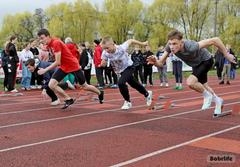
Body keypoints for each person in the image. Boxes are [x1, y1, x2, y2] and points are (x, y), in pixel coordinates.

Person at [147, 29, 236, 117]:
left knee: (190, 82)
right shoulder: (169, 47)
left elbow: (215, 40)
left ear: (181, 42)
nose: (171, 47)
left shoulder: (190, 46)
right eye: (170, 44)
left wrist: (226, 55)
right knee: (204, 86)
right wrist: (155, 62)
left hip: (206, 60)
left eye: (174, 44)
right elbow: (161, 63)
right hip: (196, 65)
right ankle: (218, 101)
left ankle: (207, 96)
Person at [37, 28, 104, 109]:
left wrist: (45, 69)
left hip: (72, 65)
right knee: (51, 84)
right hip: (64, 67)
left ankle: (100, 93)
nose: (41, 40)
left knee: (85, 86)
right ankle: (68, 99)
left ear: (48, 36)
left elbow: (57, 62)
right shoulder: (49, 45)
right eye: (40, 39)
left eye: (42, 38)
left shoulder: (56, 43)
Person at [100, 36, 152, 110]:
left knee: (121, 83)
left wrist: (143, 44)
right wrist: (102, 63)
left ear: (113, 44)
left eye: (107, 48)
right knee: (134, 84)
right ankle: (147, 94)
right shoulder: (105, 53)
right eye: (104, 48)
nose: (106, 50)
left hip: (129, 67)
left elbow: (130, 40)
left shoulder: (121, 48)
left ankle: (127, 101)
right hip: (120, 71)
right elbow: (104, 62)